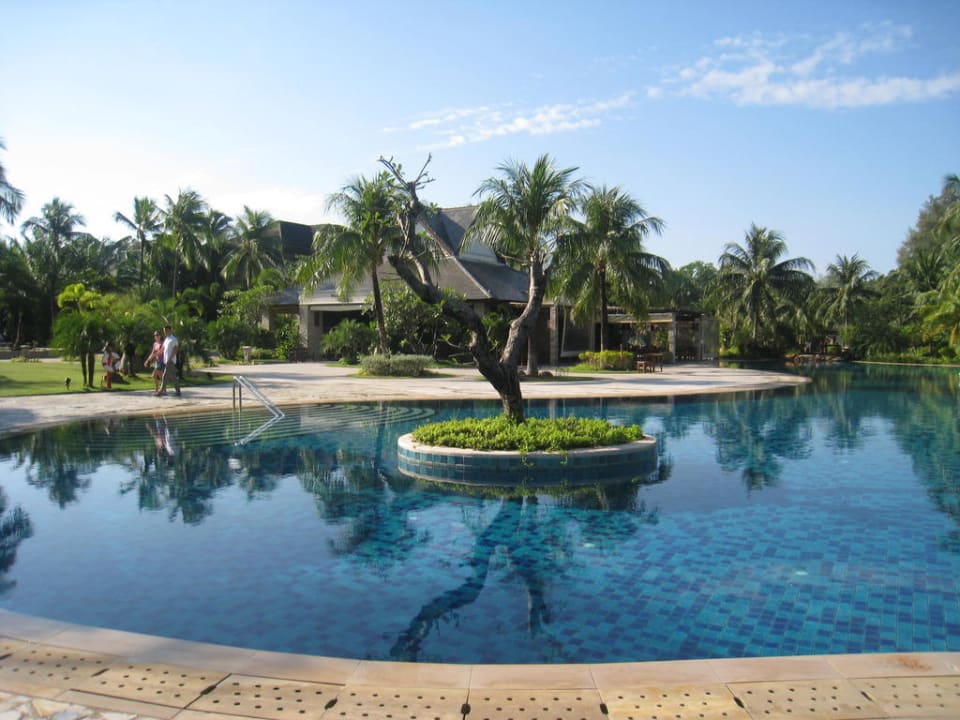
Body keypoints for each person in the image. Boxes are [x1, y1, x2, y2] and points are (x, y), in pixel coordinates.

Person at [156, 325, 180, 397]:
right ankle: (178, 391)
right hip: (166, 360)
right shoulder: (166, 339)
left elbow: (175, 349)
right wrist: (156, 354)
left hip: (170, 361)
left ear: (169, 330)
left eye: (165, 331)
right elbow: (163, 349)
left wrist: (170, 359)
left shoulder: (173, 339)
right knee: (173, 377)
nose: (164, 332)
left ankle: (161, 391)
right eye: (164, 331)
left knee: (165, 376)